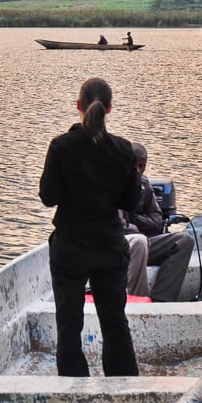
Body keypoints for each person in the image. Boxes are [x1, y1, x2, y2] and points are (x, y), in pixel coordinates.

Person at [39, 77, 142, 376]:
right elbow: (131, 202)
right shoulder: (125, 150)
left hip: (70, 249)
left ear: (78, 106)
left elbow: (48, 198)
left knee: (69, 325)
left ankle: (74, 391)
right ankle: (124, 388)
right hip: (110, 247)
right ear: (109, 109)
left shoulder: (61, 147)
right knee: (114, 322)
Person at [122, 143, 195, 302]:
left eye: (142, 166)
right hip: (122, 246)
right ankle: (137, 303)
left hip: (146, 243)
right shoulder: (113, 184)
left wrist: (133, 217)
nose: (139, 170)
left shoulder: (144, 185)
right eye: (135, 166)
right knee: (139, 242)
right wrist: (136, 223)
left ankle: (160, 301)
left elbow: (156, 221)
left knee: (185, 240)